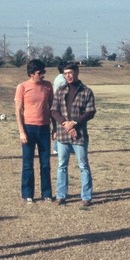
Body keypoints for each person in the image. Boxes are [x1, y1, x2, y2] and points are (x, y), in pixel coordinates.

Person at [51, 62, 96, 207]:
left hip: (79, 134)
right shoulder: (60, 91)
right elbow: (54, 110)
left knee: (83, 165)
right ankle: (61, 195)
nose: (68, 76)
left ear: (77, 72)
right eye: (65, 74)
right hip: (63, 134)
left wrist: (75, 123)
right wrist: (66, 124)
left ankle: (86, 197)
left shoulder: (86, 91)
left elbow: (90, 112)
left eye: (70, 73)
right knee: (62, 165)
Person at [14, 59, 54, 203]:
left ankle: (47, 193)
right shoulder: (22, 87)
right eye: (40, 72)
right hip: (28, 129)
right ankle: (27, 194)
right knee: (28, 164)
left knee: (45, 163)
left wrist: (55, 128)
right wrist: (21, 132)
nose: (43, 75)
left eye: (44, 72)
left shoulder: (48, 86)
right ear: (31, 73)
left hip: (44, 129)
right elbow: (18, 111)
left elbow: (52, 108)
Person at [51, 62, 68, 155]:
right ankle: (57, 148)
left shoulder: (58, 77)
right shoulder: (63, 80)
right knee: (62, 125)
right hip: (60, 105)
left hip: (57, 103)